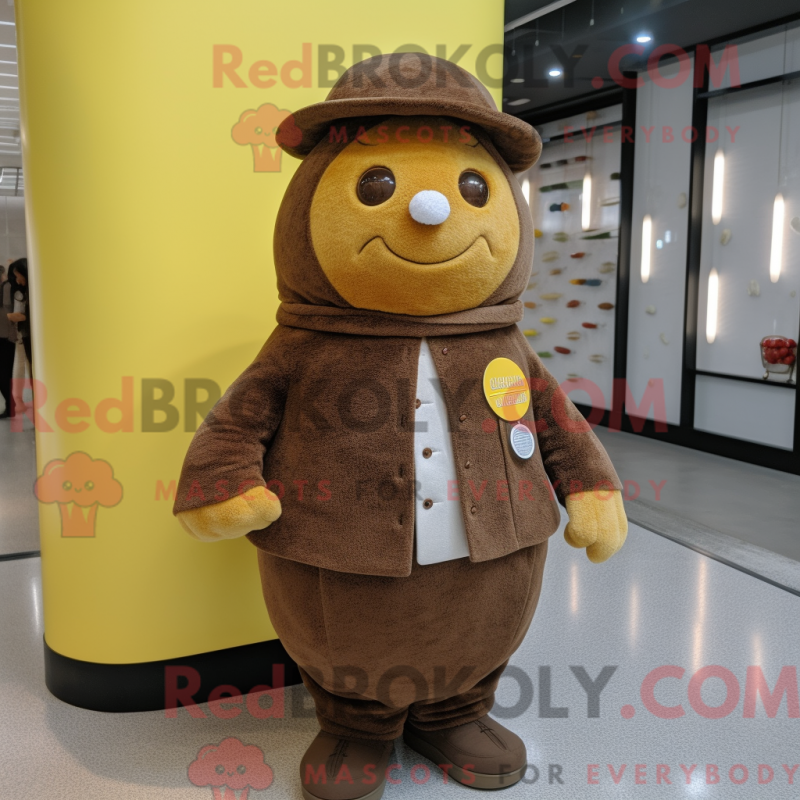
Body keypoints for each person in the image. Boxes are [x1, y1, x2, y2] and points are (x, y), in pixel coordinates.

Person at [5, 258, 31, 417]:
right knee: (21, 363)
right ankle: (18, 400)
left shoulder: (25, 289)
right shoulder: (18, 291)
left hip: (24, 332)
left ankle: (19, 400)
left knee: (24, 364)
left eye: (18, 276)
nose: (16, 280)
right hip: (22, 332)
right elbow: (18, 315)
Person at [0, 262, 15, 418]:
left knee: (4, 375)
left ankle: (11, 406)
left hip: (6, 337)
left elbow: (8, 310)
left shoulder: (6, 287)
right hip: (4, 336)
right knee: (4, 374)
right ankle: (10, 405)